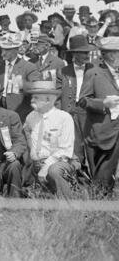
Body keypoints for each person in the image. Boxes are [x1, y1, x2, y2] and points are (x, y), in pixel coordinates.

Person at [78, 37, 119, 195]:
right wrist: (103, 104)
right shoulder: (93, 73)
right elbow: (82, 101)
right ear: (109, 55)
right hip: (102, 132)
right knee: (102, 179)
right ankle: (97, 210)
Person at [23, 81, 76, 198]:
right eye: (32, 96)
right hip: (37, 163)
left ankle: (68, 206)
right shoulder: (31, 117)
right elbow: (26, 132)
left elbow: (65, 151)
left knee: (54, 171)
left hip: (58, 162)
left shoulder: (64, 118)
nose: (32, 100)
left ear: (48, 100)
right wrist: (31, 154)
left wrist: (46, 167)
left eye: (36, 97)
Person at [57, 35, 95, 174]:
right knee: (74, 147)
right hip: (70, 113)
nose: (87, 55)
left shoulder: (94, 70)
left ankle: (96, 181)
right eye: (83, 52)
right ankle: (77, 179)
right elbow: (57, 94)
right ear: (74, 53)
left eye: (87, 52)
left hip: (89, 112)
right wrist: (61, 114)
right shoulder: (64, 71)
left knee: (91, 146)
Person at [0, 34, 40, 123]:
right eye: (2, 49)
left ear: (16, 50)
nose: (2, 53)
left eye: (7, 50)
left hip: (19, 113)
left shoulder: (29, 67)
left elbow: (36, 88)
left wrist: (23, 84)